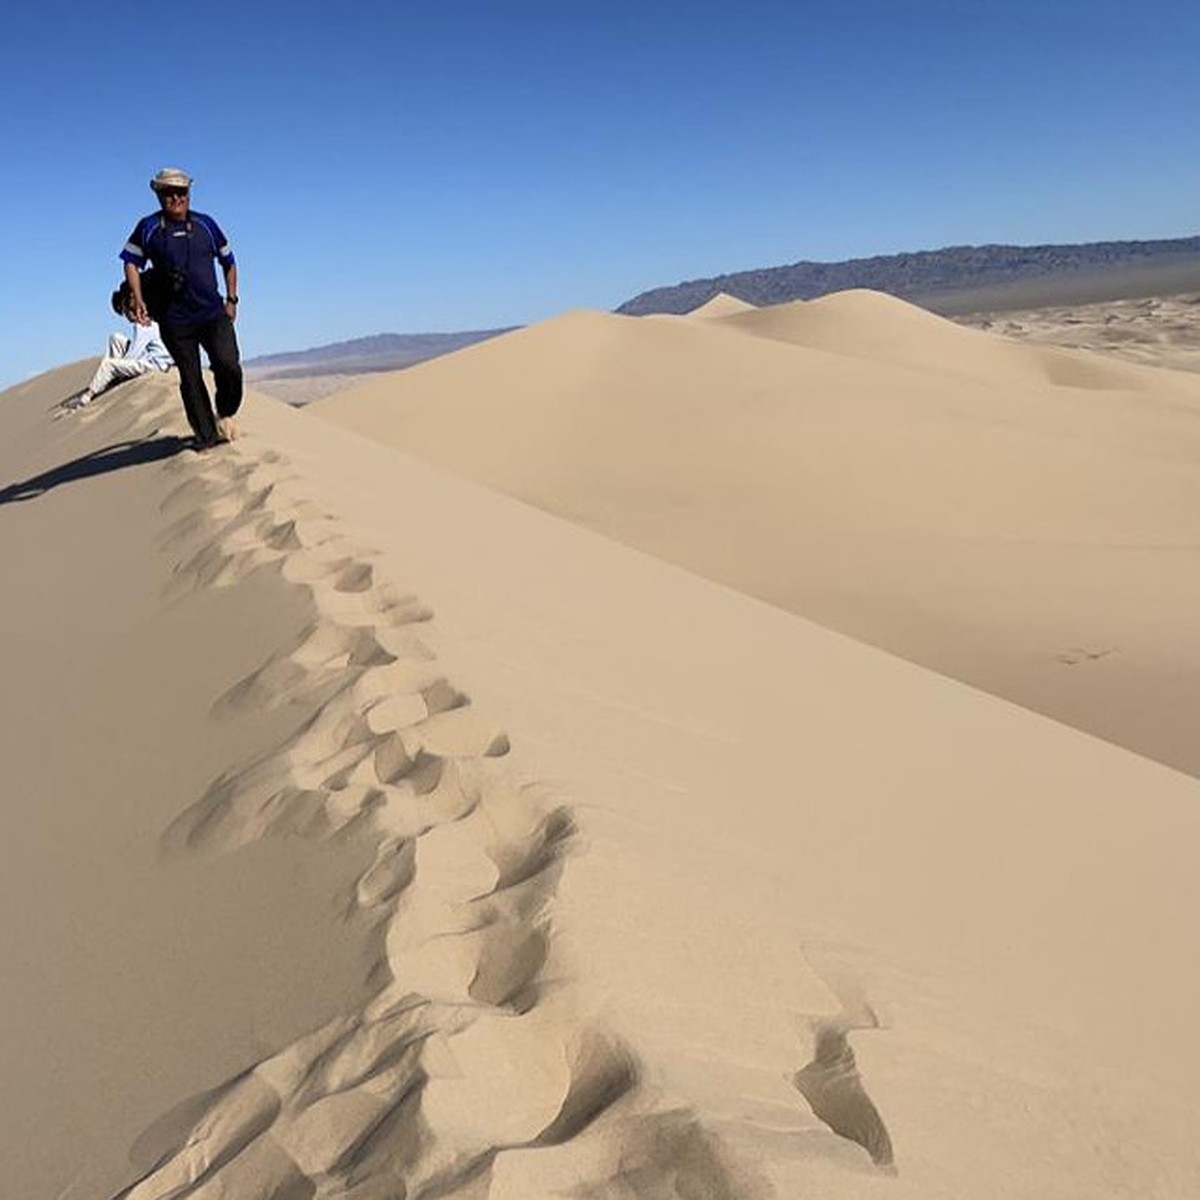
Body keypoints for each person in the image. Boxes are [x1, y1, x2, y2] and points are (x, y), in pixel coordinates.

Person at [120, 167, 242, 450]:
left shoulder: (206, 225)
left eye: (181, 192)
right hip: (175, 321)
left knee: (229, 366)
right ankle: (206, 437)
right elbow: (130, 262)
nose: (176, 197)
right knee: (190, 377)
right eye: (168, 192)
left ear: (189, 193)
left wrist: (232, 299)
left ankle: (225, 411)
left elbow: (229, 261)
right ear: (158, 195)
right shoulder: (148, 227)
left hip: (213, 314)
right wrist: (138, 298)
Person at [63, 285, 174, 410]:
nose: (125, 316)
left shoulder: (144, 325)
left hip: (156, 365)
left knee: (108, 364)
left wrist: (116, 366)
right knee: (115, 338)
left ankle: (87, 397)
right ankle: (110, 379)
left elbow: (133, 355)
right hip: (151, 359)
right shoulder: (147, 320)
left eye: (125, 311)